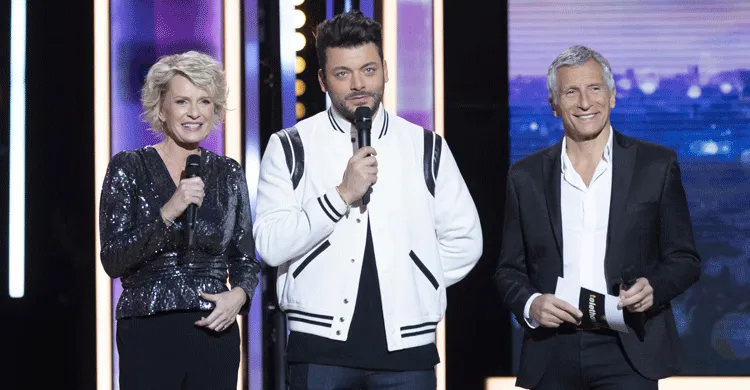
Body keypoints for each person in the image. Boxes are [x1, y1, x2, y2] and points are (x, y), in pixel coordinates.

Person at [253, 10, 483, 390]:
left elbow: (465, 240)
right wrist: (342, 195)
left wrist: (417, 278)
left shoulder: (424, 145)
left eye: (369, 70)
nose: (359, 84)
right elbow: (270, 245)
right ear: (323, 80)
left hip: (409, 349)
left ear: (386, 71)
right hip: (319, 349)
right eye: (343, 73)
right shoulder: (291, 146)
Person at [495, 45, 701, 390]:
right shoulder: (525, 176)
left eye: (594, 88)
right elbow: (508, 270)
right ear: (554, 105)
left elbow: (685, 259)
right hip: (553, 348)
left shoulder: (656, 165)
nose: (585, 103)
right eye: (571, 92)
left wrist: (654, 288)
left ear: (613, 96)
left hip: (628, 348)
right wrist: (531, 304)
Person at [99, 51, 260, 390]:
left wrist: (240, 295)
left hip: (215, 328)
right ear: (161, 107)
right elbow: (113, 259)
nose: (194, 113)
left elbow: (245, 258)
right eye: (182, 101)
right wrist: (168, 211)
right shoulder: (129, 167)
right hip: (148, 329)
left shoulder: (228, 173)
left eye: (204, 101)